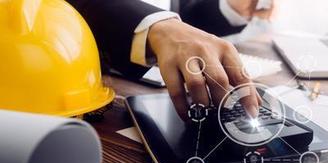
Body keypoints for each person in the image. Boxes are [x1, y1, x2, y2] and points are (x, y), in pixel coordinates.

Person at [66, 0, 273, 120]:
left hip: (159, 90)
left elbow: (189, 19)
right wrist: (161, 27)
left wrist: (233, 9)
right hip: (77, 94)